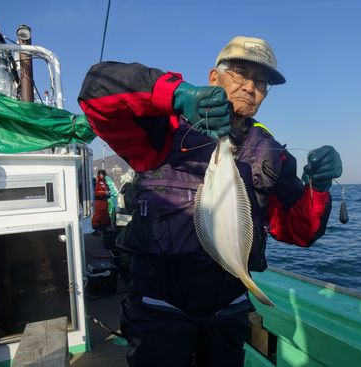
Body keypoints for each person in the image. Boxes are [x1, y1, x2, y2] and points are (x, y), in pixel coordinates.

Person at [79, 35, 342, 367]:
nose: (250, 87)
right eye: (240, 73)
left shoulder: (273, 156)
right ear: (214, 78)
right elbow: (96, 89)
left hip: (227, 306)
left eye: (262, 82)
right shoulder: (165, 128)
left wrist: (318, 187)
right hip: (159, 305)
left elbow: (298, 230)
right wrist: (177, 94)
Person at [91, 169, 111, 236]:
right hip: (99, 202)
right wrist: (104, 192)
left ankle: (104, 229)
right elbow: (94, 192)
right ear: (100, 174)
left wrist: (108, 192)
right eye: (103, 174)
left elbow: (107, 190)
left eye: (104, 175)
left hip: (104, 202)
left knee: (105, 216)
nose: (104, 176)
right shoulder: (96, 182)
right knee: (97, 216)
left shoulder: (104, 182)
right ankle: (95, 230)